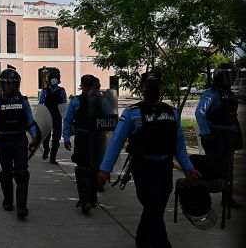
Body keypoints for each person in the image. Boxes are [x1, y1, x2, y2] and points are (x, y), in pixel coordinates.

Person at [97, 72, 201, 248]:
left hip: (165, 168)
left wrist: (188, 168)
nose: (151, 89)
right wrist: (105, 169)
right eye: (147, 86)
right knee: (153, 209)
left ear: (162, 89)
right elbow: (116, 141)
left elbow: (179, 145)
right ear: (142, 88)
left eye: (155, 86)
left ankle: (142, 239)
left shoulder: (172, 113)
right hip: (143, 168)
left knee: (156, 208)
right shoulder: (132, 113)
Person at [0, 68, 37, 219]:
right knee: (7, 173)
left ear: (17, 85)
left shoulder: (23, 101)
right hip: (4, 141)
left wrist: (34, 136)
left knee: (22, 173)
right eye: (7, 84)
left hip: (20, 140)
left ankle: (22, 207)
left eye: (13, 84)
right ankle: (8, 200)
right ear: (3, 85)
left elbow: (29, 120)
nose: (10, 87)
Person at [195, 63, 243, 209]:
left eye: (233, 75)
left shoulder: (230, 94)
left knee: (228, 168)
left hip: (229, 137)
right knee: (212, 169)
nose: (231, 78)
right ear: (219, 77)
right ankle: (202, 199)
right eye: (228, 75)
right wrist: (206, 132)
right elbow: (199, 112)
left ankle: (228, 198)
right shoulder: (211, 93)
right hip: (215, 138)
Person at [63, 75, 113, 214]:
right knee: (82, 168)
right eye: (85, 85)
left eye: (90, 85)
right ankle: (84, 200)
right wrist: (66, 138)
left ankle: (92, 197)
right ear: (82, 86)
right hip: (82, 137)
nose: (88, 88)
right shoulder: (76, 102)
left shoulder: (102, 101)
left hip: (97, 138)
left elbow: (111, 119)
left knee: (95, 168)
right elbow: (67, 120)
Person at [38, 68, 67, 165]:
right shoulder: (45, 91)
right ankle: (46, 149)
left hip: (57, 117)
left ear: (59, 80)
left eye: (56, 78)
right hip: (47, 117)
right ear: (49, 80)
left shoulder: (62, 91)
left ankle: (53, 157)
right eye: (52, 78)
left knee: (56, 138)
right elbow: (40, 103)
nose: (54, 80)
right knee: (46, 137)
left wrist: (65, 117)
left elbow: (64, 104)